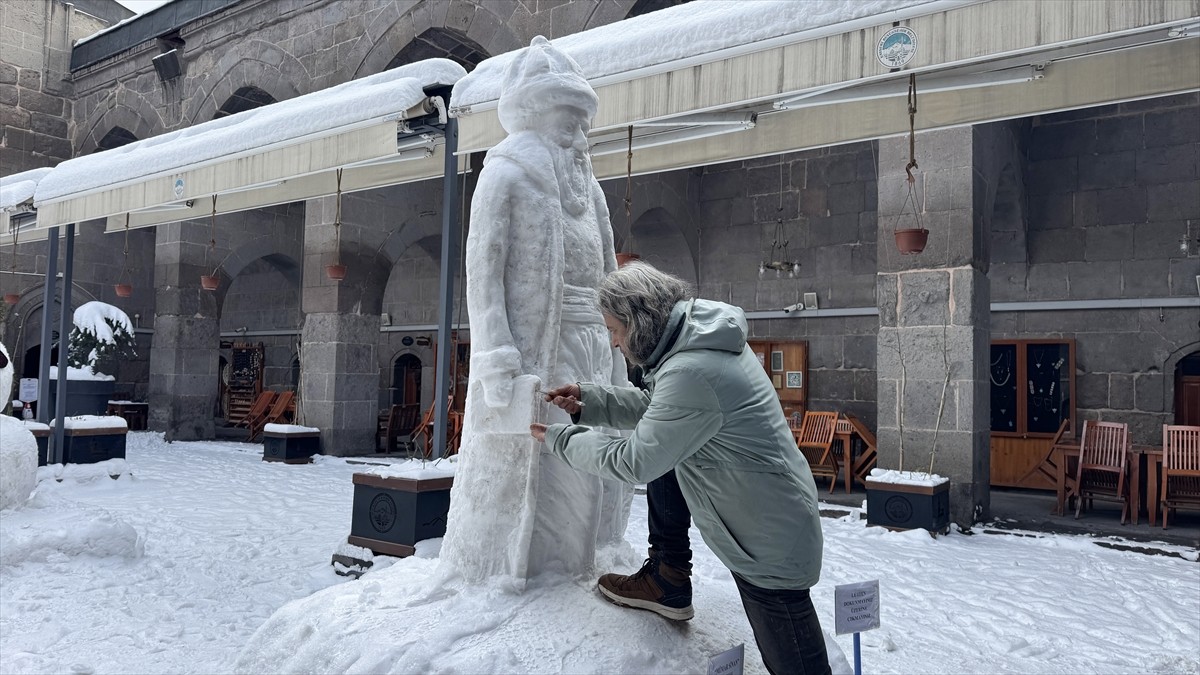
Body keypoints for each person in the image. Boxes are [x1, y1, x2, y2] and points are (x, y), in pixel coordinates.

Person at [530, 262, 830, 675]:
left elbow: (634, 460)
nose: (614, 343)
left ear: (637, 324)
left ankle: (668, 576)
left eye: (614, 330)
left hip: (769, 544)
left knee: (796, 664)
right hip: (766, 521)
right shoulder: (693, 340)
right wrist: (589, 401)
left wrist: (559, 439)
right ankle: (667, 577)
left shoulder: (691, 370)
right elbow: (663, 411)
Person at [439, 36, 630, 583]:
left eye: (581, 121)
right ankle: (534, 568)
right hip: (535, 349)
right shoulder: (504, 175)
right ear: (535, 115)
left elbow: (609, 267)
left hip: (593, 339)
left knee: (596, 452)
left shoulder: (589, 189)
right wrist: (496, 351)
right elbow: (483, 271)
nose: (577, 135)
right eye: (565, 120)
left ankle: (591, 555)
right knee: (541, 459)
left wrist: (620, 338)